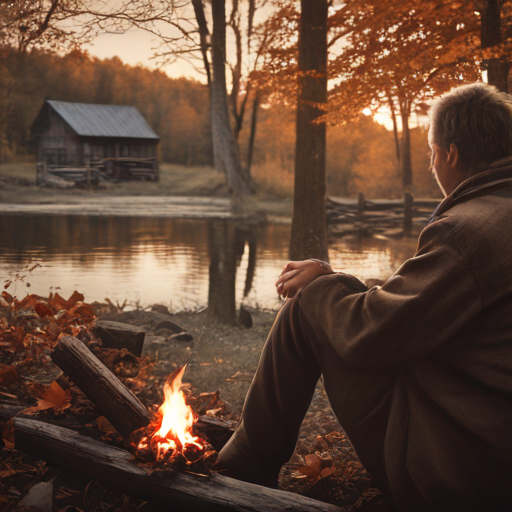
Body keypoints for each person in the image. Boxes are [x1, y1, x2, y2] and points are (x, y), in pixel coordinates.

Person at [216, 82, 512, 512]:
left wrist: (318, 286)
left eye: (431, 151)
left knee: (305, 311)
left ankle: (240, 469)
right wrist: (335, 278)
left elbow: (374, 338)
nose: (432, 163)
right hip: (491, 433)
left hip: (464, 472)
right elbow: (420, 308)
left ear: (450, 154)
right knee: (330, 297)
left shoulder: (467, 230)